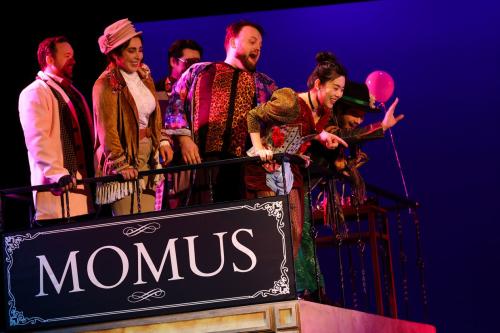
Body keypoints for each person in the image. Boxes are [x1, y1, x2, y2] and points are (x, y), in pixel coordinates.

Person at [298, 80, 404, 303]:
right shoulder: (326, 124)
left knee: (305, 237)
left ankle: (315, 290)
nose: (358, 121)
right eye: (355, 114)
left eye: (362, 117)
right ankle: (307, 289)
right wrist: (380, 127)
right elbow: (345, 138)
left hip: (303, 191)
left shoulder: (343, 133)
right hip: (292, 186)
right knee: (300, 237)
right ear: (340, 110)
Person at [245, 51, 349, 259]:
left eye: (342, 90)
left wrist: (319, 136)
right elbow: (253, 116)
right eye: (335, 88)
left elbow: (304, 128)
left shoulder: (324, 112)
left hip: (289, 170)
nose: (338, 94)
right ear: (318, 84)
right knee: (271, 231)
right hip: (264, 169)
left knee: (294, 232)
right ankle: (269, 285)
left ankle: (286, 286)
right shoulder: (290, 102)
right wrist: (258, 149)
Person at [165, 20, 277, 205]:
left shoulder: (264, 84)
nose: (257, 48)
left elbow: (281, 117)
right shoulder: (200, 71)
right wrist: (184, 139)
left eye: (260, 45)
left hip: (243, 168)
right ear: (233, 42)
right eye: (252, 41)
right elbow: (175, 102)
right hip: (200, 163)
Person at [93, 18, 173, 216]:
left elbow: (154, 115)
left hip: (148, 154)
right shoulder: (106, 84)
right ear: (115, 53)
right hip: (127, 157)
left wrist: (162, 140)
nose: (138, 56)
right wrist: (121, 163)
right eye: (131, 50)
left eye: (140, 50)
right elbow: (107, 130)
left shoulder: (144, 77)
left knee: (148, 220)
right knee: (131, 225)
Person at [18, 36, 94, 223]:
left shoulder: (72, 92)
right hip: (58, 195)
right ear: (49, 59)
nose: (73, 61)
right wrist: (58, 174)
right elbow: (38, 141)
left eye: (73, 56)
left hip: (84, 192)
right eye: (67, 56)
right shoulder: (35, 92)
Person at [154, 39, 203, 210]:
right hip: (162, 170)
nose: (194, 68)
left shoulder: (199, 94)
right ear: (173, 61)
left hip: (190, 170)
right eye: (189, 62)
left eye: (198, 63)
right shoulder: (153, 91)